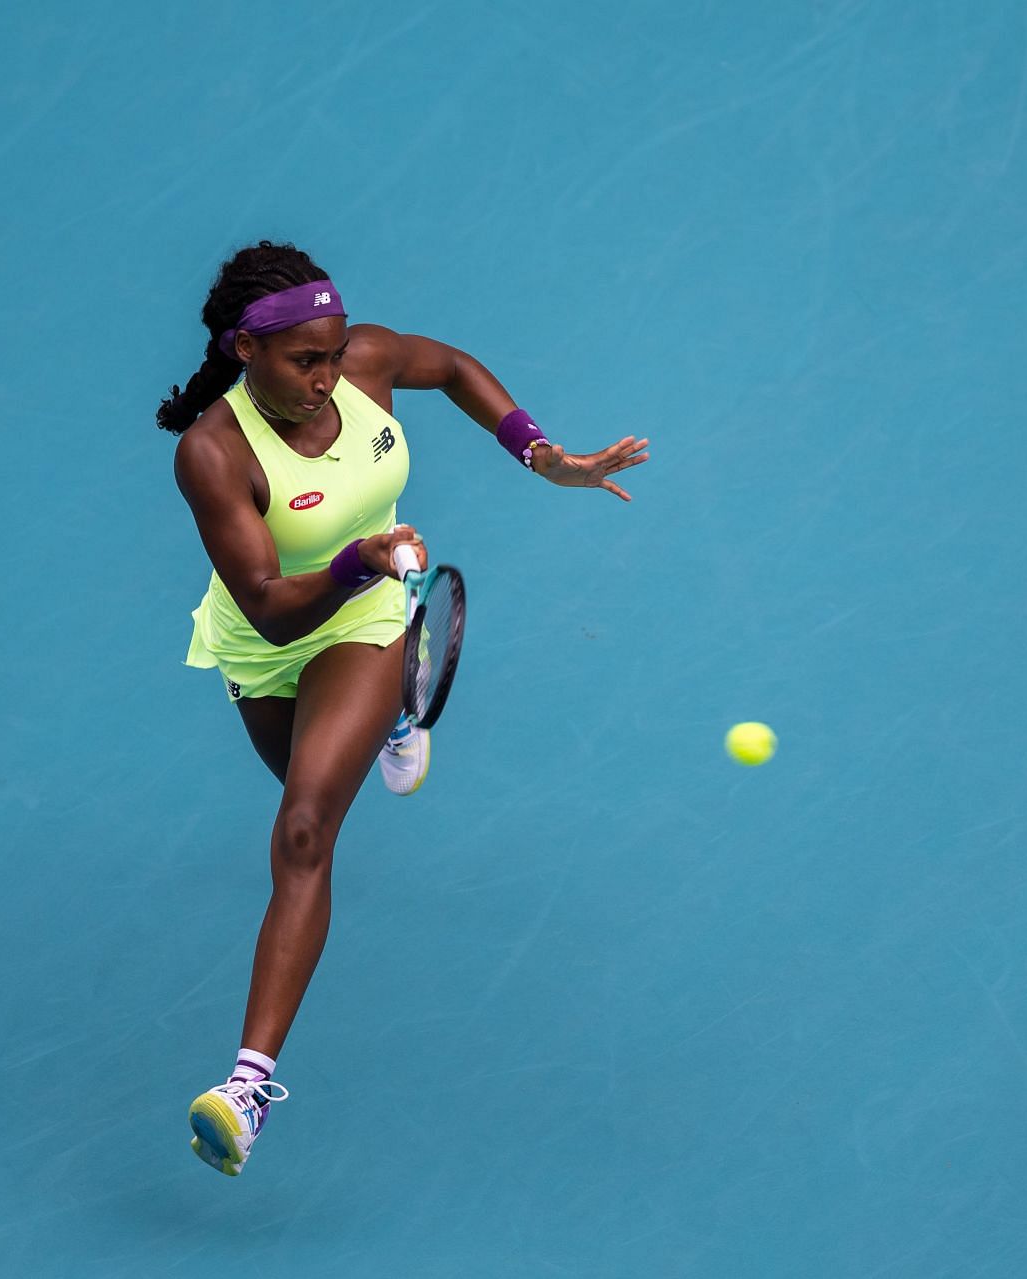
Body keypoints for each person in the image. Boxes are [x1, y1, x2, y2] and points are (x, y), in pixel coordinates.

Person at [156, 241, 648, 1176]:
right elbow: (264, 597)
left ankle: (246, 1089)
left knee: (305, 828)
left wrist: (541, 455)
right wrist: (355, 557)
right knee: (313, 800)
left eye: (337, 354)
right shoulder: (212, 453)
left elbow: (454, 368)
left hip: (371, 611)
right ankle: (395, 716)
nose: (331, 376)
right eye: (307, 361)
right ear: (242, 350)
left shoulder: (365, 366)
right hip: (267, 636)